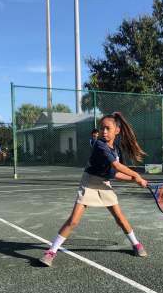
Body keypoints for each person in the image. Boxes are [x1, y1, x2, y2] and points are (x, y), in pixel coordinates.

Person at [39, 112, 148, 267]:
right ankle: (51, 252)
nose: (103, 131)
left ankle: (136, 244)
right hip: (89, 182)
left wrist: (135, 180)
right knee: (74, 221)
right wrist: (137, 175)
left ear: (117, 130)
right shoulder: (99, 144)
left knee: (120, 218)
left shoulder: (116, 150)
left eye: (107, 128)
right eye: (101, 128)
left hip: (104, 183)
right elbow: (117, 166)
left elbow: (115, 173)